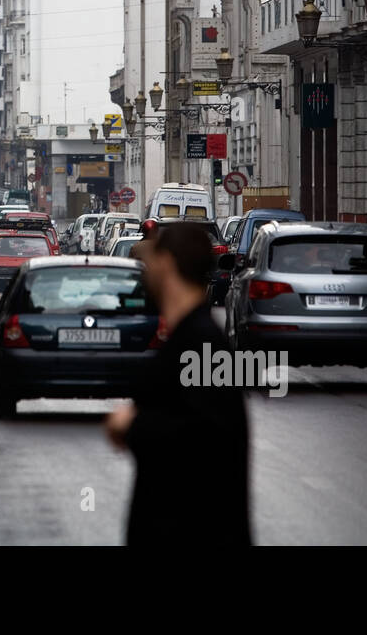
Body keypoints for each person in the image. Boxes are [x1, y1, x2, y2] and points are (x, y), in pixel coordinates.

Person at [105, 222, 250, 546]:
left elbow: (202, 436)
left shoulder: (200, 343)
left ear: (166, 264)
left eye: (152, 259)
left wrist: (131, 425)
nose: (146, 269)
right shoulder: (187, 337)